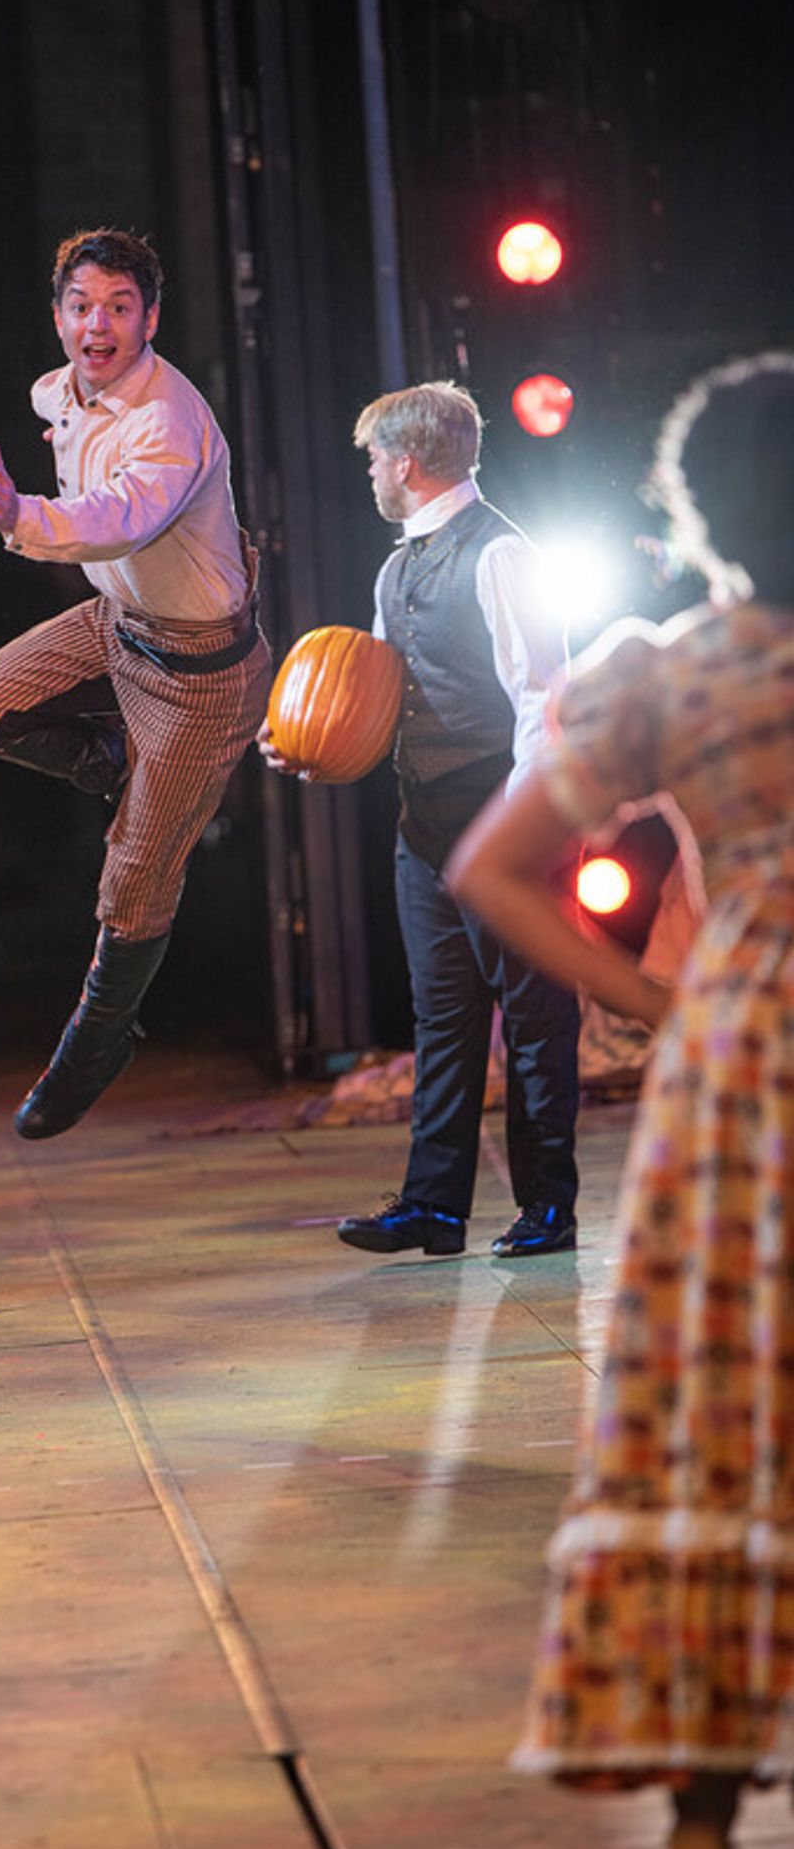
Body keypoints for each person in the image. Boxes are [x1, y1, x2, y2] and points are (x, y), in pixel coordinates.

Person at [447, 352, 794, 1849]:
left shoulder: (678, 672)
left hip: (746, 1065)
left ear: (703, 514)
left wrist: (662, 1003)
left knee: (722, 1416)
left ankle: (707, 1838)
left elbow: (494, 865)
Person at [0, 227, 271, 1137]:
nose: (99, 325)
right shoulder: (63, 391)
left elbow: (123, 519)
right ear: (58, 316)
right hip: (115, 628)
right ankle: (105, 757)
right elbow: (64, 414)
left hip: (200, 671)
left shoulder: (170, 418)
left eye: (120, 308)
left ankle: (98, 1039)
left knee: (131, 883)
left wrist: (24, 515)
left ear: (151, 318)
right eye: (82, 307)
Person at [262, 379, 580, 1258]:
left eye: (373, 457)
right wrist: (303, 743)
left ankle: (548, 1205)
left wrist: (519, 838)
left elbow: (541, 701)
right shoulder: (396, 567)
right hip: (425, 825)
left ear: (406, 461)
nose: (367, 472)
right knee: (442, 1020)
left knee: (534, 1017)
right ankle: (434, 1205)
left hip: (501, 817)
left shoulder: (502, 554)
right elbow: (369, 697)